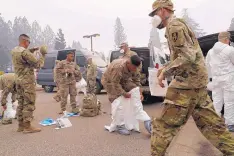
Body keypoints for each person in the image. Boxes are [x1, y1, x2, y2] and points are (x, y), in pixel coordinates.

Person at [148, 0, 234, 155]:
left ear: (162, 11)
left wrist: (164, 72)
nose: (154, 17)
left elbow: (187, 57)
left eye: (154, 13)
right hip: (197, 82)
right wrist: (165, 67)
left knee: (164, 126)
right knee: (213, 126)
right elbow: (184, 55)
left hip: (186, 83)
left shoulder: (174, 26)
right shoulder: (179, 24)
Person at [101, 55, 151, 135]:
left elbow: (137, 81)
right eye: (134, 68)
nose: (135, 70)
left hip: (124, 79)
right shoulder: (118, 67)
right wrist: (124, 93)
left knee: (134, 89)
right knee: (117, 103)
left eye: (136, 68)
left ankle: (146, 120)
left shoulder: (135, 67)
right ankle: (120, 125)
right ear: (128, 64)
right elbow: (115, 83)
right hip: (110, 82)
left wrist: (139, 93)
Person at [11, 34, 47, 134]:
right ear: (25, 41)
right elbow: (37, 64)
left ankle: (20, 126)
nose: (29, 44)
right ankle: (27, 126)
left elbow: (23, 56)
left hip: (18, 80)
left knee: (21, 103)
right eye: (29, 42)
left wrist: (31, 50)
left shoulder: (14, 50)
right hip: (27, 82)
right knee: (29, 102)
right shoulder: (24, 52)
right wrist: (43, 55)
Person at [206, 31, 234, 132]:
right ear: (226, 39)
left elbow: (207, 66)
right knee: (229, 102)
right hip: (228, 79)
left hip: (216, 79)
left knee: (217, 101)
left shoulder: (210, 52)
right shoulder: (230, 49)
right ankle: (229, 124)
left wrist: (209, 80)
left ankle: (215, 123)